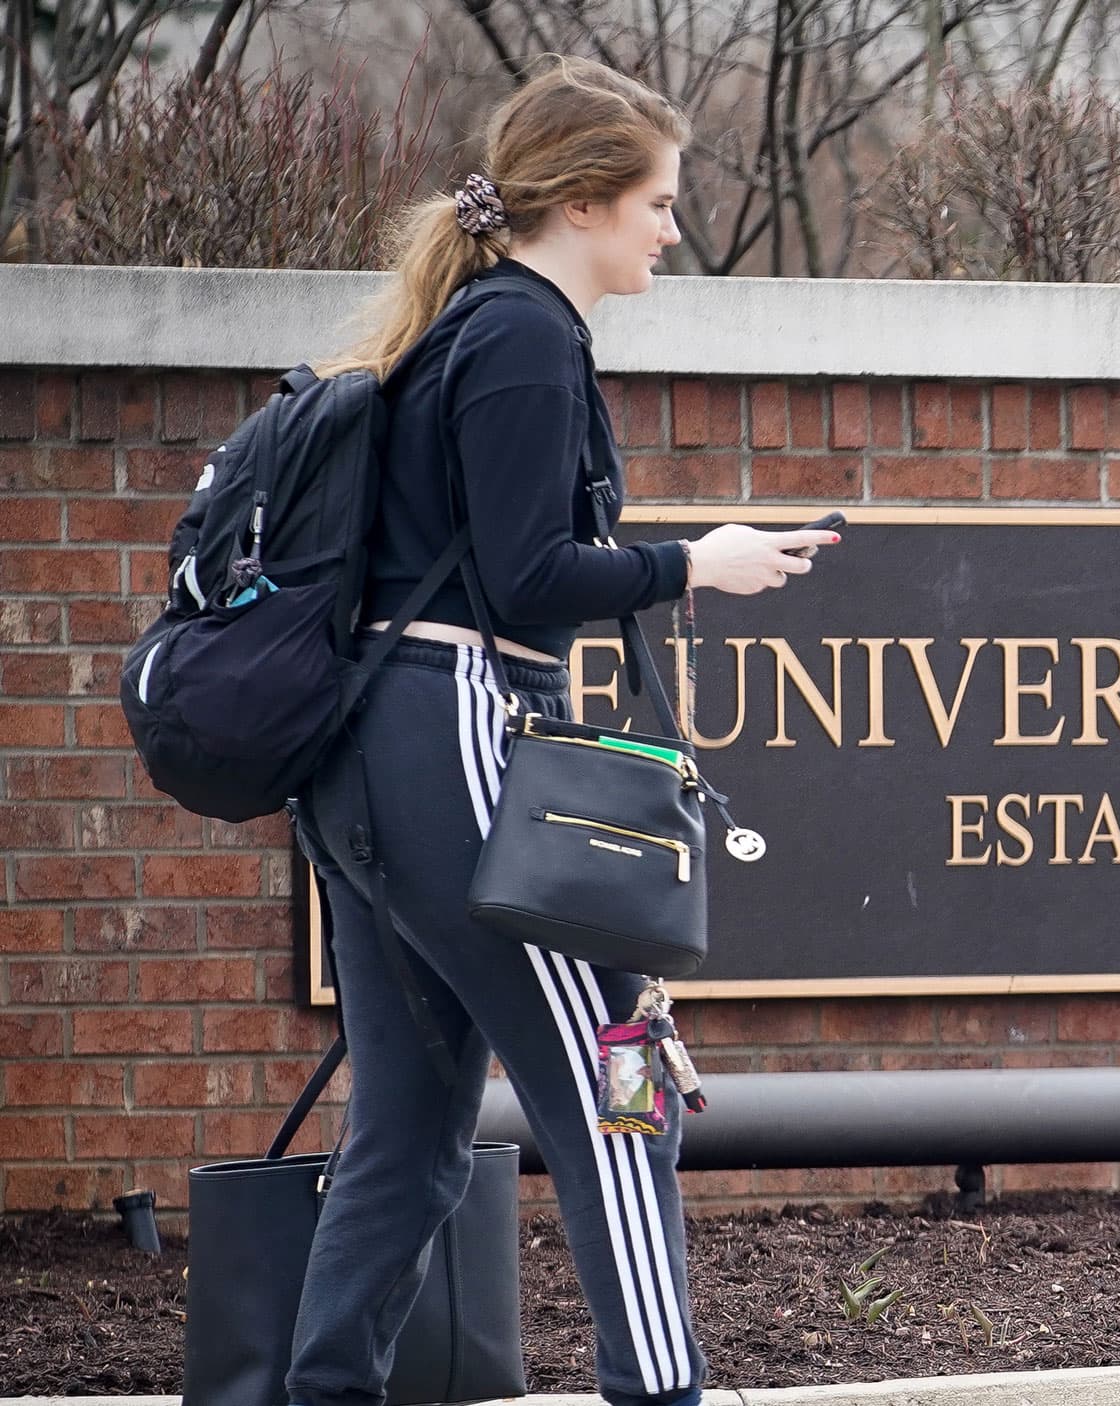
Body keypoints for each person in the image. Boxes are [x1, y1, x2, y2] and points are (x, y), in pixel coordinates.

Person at [285, 55, 835, 1406]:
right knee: (617, 1086)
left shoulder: (466, 326)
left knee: (408, 1132)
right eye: (656, 200)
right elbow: (531, 577)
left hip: (369, 762)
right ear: (584, 202)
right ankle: (662, 1390)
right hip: (451, 732)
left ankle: (322, 1392)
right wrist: (693, 562)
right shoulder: (525, 337)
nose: (669, 227)